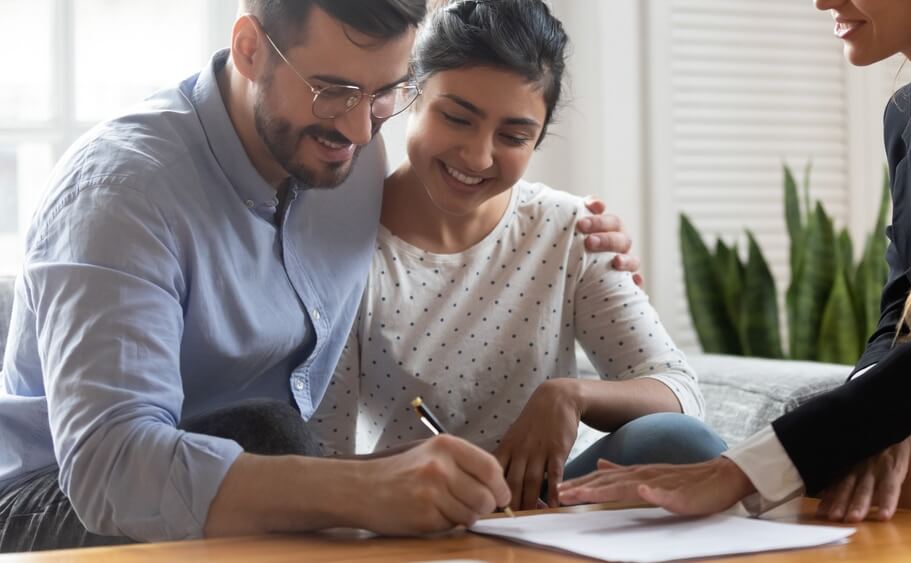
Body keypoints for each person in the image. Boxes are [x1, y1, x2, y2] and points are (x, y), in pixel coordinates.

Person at [0, 0, 639, 552]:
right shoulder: (122, 191)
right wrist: (357, 488)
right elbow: (111, 470)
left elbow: (457, 206)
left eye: (386, 92)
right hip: (48, 498)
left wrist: (577, 233)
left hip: (263, 473)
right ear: (250, 49)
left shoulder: (347, 155)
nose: (360, 128)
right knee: (268, 433)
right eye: (332, 90)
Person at [559, 0, 911, 523]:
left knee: (871, 444)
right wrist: (877, 421)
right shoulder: (905, 118)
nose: (822, 1)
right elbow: (902, 312)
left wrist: (738, 470)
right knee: (865, 450)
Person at [308, 0, 726, 512]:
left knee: (681, 444)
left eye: (513, 136)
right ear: (409, 96)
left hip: (543, 510)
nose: (478, 156)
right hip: (404, 511)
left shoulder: (571, 231)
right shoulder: (342, 247)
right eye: (457, 118)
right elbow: (321, 455)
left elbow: (680, 392)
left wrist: (570, 395)